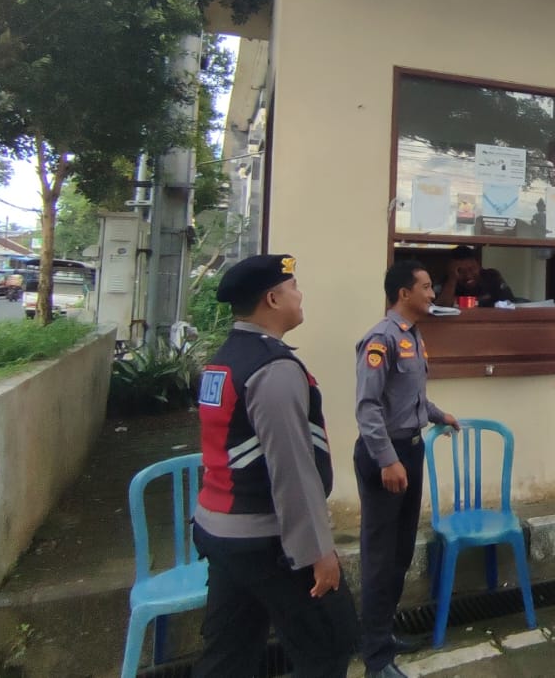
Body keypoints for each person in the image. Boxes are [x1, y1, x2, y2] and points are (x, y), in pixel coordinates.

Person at [190, 254, 359, 678]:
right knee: (330, 643)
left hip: (220, 531)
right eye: (293, 287)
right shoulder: (273, 369)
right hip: (266, 539)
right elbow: (292, 469)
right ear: (272, 299)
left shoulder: (225, 359)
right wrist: (317, 552)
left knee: (229, 656)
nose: (300, 296)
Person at [355, 261, 460, 678]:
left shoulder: (412, 335)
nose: (433, 295)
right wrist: (387, 460)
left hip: (410, 451)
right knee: (380, 556)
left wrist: (438, 415)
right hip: (386, 457)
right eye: (426, 287)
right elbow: (368, 408)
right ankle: (376, 659)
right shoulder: (380, 339)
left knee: (399, 552)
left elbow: (410, 397)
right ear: (404, 293)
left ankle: (384, 633)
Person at [433, 245, 514, 308]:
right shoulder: (446, 282)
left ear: (479, 266)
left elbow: (510, 302)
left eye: (471, 269)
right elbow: (439, 309)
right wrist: (452, 279)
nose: (468, 276)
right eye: (460, 271)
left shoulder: (491, 276)